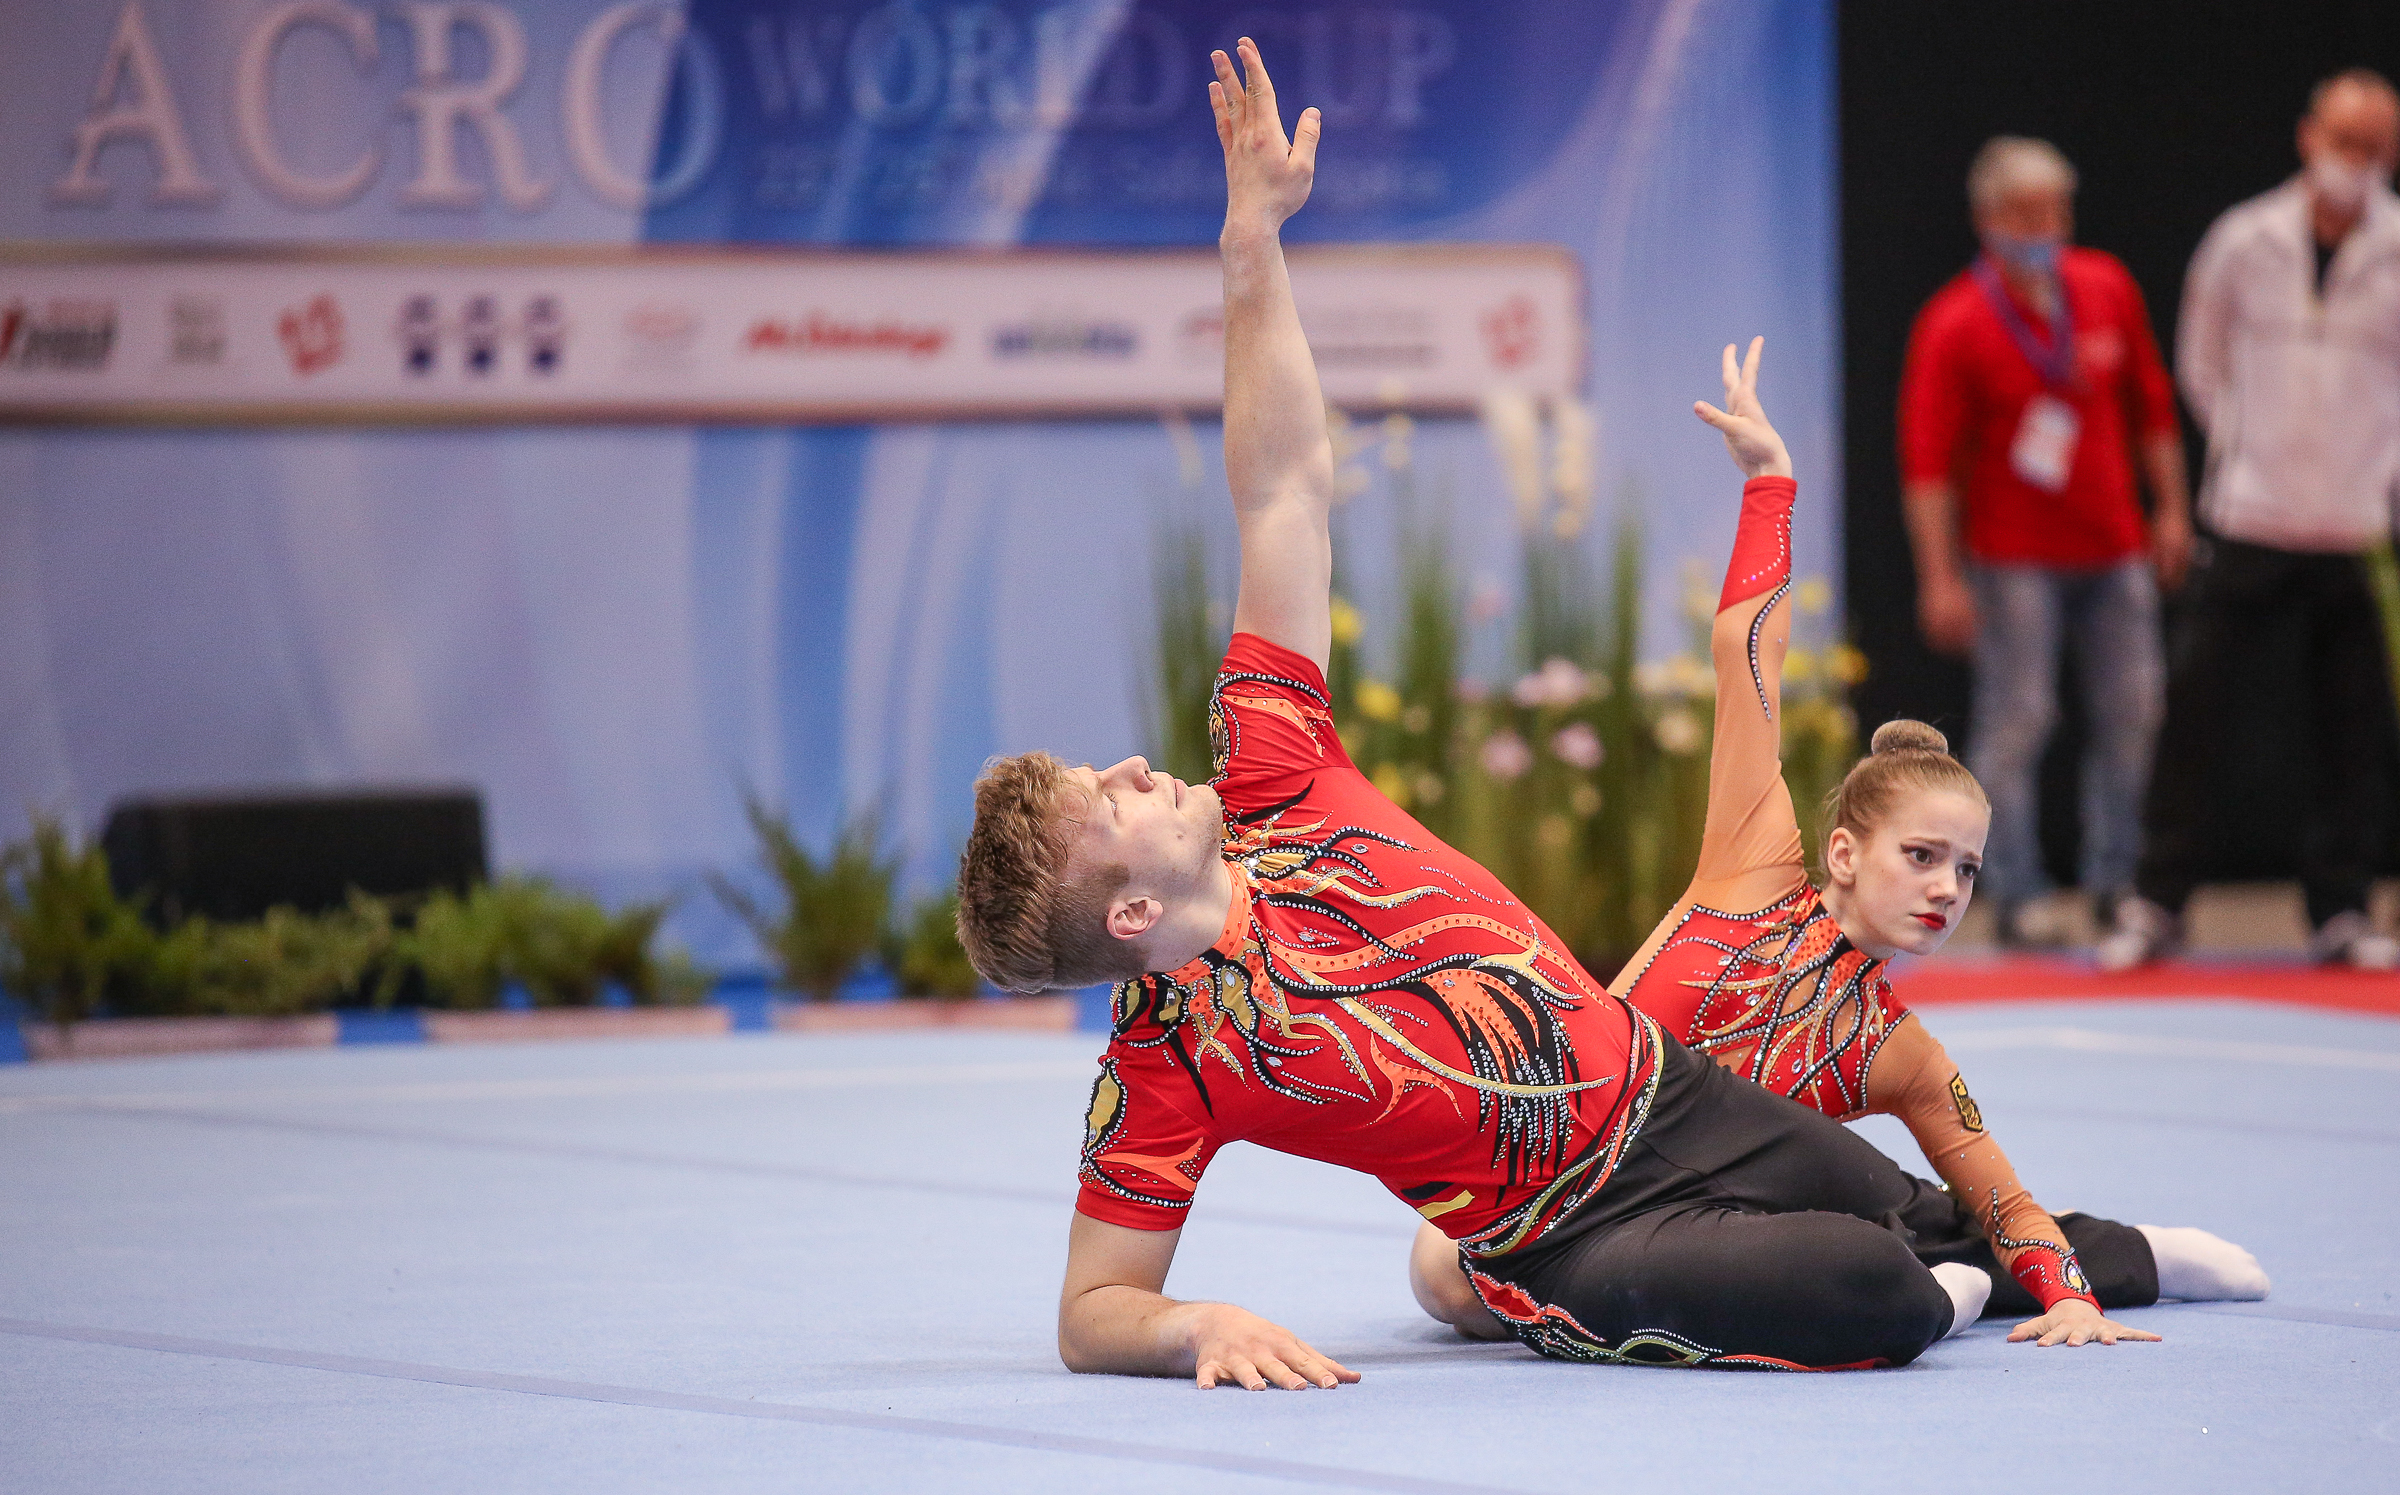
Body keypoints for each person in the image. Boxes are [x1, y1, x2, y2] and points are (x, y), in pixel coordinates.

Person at [960, 39, 1994, 1383]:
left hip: (1663, 1090)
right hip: (1565, 1234)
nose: (1137, 765)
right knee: (1882, 1289)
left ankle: (2083, 1263)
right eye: (1111, 800)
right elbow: (1091, 1307)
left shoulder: (1271, 769)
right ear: (1132, 911)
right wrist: (1193, 1322)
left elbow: (1282, 490)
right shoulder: (1167, 1066)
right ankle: (1498, 1288)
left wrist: (1252, 243)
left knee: (1945, 1220)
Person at [1410, 341, 2267, 1347]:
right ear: (1848, 853)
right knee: (1444, 1277)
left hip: (1721, 1215)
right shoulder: (1751, 866)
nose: (1948, 889)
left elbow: (2001, 1196)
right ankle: (1995, 1267)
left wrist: (2074, 1297)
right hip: (1583, 1188)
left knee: (1895, 1205)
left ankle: (2126, 1257)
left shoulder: (1900, 1050)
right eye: (1922, 856)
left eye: (1968, 869)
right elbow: (1749, 658)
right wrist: (1770, 488)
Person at [2103, 69, 2400, 973]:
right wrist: (2244, 445)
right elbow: (2200, 363)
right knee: (2196, 711)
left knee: (2352, 728)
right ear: (2309, 136)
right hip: (2249, 514)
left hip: (2353, 526)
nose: (2355, 161)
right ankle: (2157, 900)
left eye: (2374, 147)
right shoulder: (2243, 239)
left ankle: (2340, 910)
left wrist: (2378, 474)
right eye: (2343, 141)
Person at [1898, 137, 2192, 949]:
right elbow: (1927, 465)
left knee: (2136, 713)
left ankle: (2119, 880)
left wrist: (2171, 508)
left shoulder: (2105, 286)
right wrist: (1939, 576)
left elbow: (2152, 407)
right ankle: (2016, 889)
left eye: (2057, 211)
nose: (2046, 228)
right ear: (1988, 219)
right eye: (2027, 214)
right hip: (2013, 558)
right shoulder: (1955, 321)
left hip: (2114, 545)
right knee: (2019, 719)